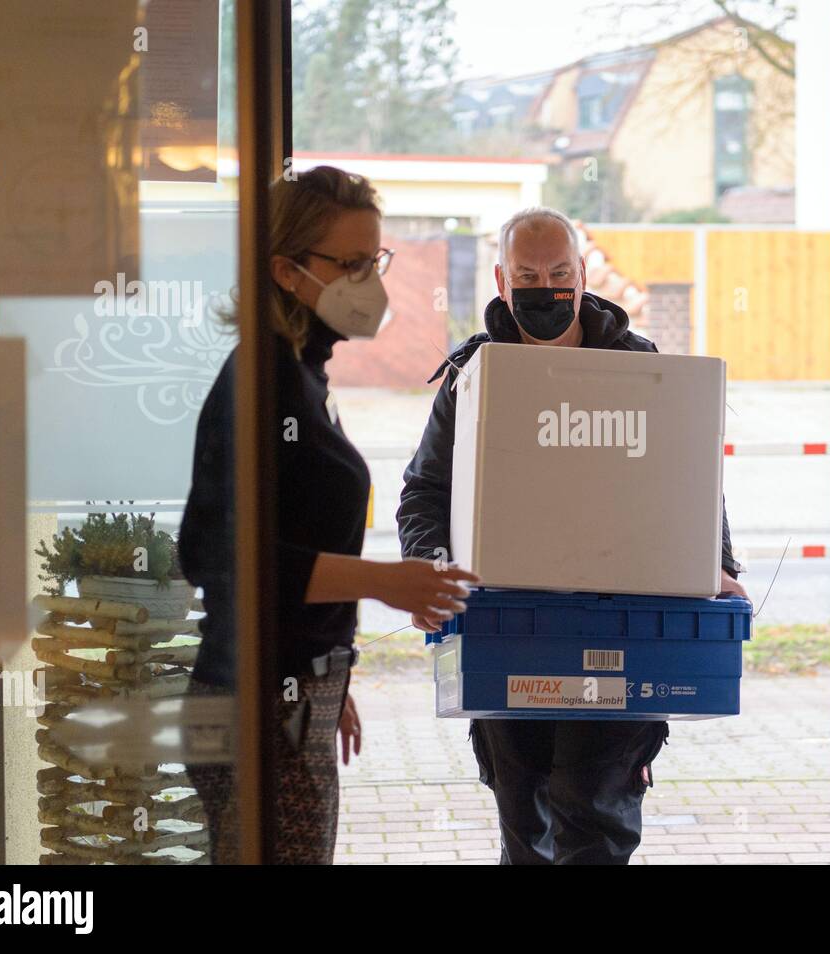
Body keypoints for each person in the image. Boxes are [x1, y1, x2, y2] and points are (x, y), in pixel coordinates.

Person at [397, 206, 747, 865]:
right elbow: (424, 490)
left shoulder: (640, 368)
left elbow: (691, 477)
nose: (546, 286)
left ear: (583, 274)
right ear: (502, 280)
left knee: (594, 821)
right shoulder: (473, 376)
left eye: (560, 272)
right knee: (523, 826)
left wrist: (714, 563)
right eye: (528, 274)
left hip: (620, 630)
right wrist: (432, 564)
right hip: (507, 626)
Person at [178, 165, 479, 864]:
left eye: (373, 262)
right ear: (286, 271)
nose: (368, 282)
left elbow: (286, 539)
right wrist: (381, 581)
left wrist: (325, 678)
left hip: (292, 695)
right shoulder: (264, 379)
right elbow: (214, 550)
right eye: (348, 265)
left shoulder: (302, 373)